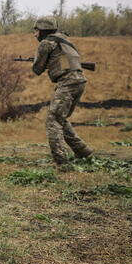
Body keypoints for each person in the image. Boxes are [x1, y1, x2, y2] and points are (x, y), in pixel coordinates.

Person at [31, 17, 93, 170]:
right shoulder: (64, 40)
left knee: (53, 121)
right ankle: (83, 151)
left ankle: (62, 162)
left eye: (36, 31)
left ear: (43, 30)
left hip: (67, 83)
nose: (35, 35)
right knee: (60, 118)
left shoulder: (46, 43)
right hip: (80, 81)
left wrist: (40, 61)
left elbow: (37, 69)